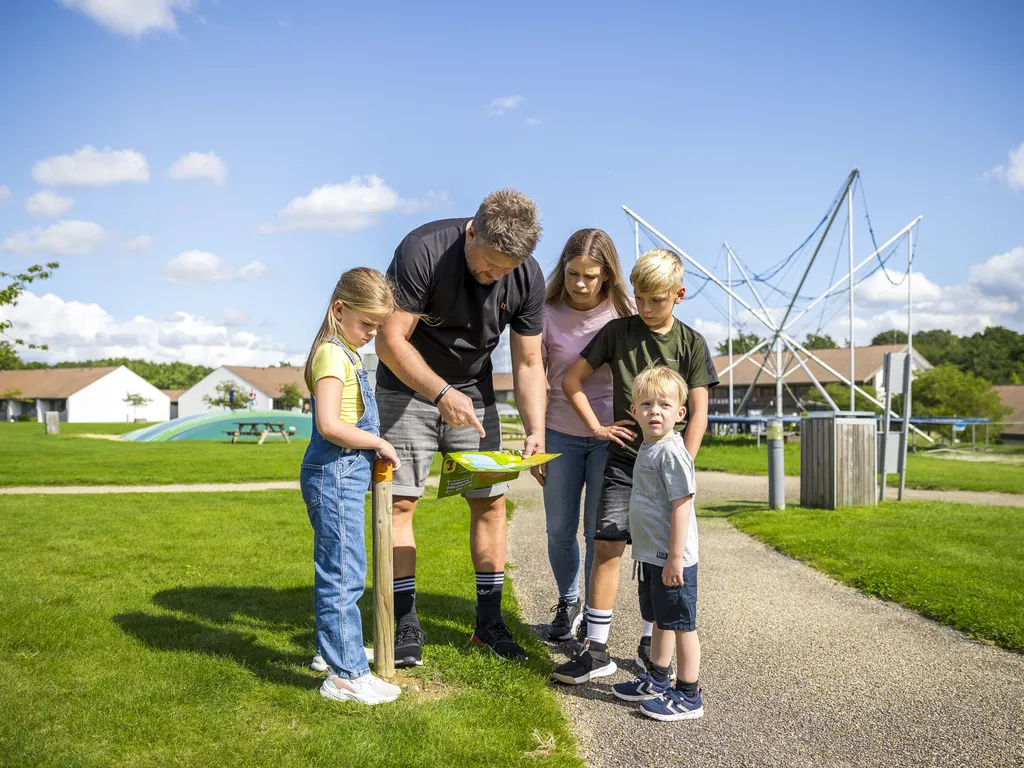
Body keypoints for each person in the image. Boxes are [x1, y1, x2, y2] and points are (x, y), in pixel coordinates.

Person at [375, 189, 546, 666]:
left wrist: (535, 428)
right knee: (402, 501)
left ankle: (488, 624)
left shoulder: (526, 275)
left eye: (506, 271)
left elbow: (529, 361)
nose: (496, 278)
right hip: (405, 388)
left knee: (489, 503)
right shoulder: (422, 250)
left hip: (475, 393)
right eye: (489, 266)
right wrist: (440, 393)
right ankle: (403, 619)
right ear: (472, 232)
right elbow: (390, 340)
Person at [551, 248, 718, 685]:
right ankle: (597, 650)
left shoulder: (691, 343)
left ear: (679, 295)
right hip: (623, 463)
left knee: (657, 557)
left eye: (656, 301)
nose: (645, 308)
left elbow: (699, 411)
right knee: (606, 546)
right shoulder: (616, 332)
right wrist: (598, 428)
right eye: (640, 298)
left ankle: (650, 646)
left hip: (666, 471)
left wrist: (682, 462)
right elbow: (572, 380)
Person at [299, 267, 403, 705]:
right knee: (342, 574)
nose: (372, 334)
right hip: (334, 471)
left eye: (379, 326)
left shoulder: (348, 353)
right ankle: (344, 676)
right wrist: (378, 440)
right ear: (339, 310)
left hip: (343, 473)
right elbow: (329, 424)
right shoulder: (332, 355)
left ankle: (335, 650)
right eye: (366, 324)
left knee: (346, 567)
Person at [538, 228, 633, 640]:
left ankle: (595, 617)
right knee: (559, 529)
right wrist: (534, 434)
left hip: (609, 438)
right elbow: (533, 377)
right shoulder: (543, 311)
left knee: (599, 532)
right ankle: (568, 600)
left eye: (590, 276)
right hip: (559, 432)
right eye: (573, 273)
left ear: (607, 276)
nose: (579, 284)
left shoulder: (625, 312)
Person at [610, 366, 704, 721]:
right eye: (646, 403)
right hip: (653, 556)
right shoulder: (649, 448)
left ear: (680, 413)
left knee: (682, 625)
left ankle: (689, 694)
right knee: (662, 621)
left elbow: (682, 504)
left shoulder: (671, 452)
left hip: (672, 558)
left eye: (665, 405)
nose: (655, 411)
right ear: (633, 411)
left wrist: (675, 558)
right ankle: (657, 679)